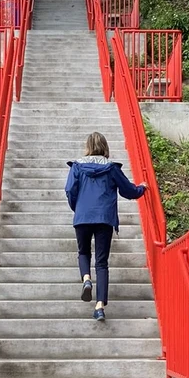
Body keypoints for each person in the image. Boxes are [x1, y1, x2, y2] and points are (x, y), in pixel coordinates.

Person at [65, 132, 146, 321]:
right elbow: (128, 190)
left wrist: (77, 208)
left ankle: (86, 279)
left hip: (83, 217)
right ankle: (100, 307)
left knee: (83, 252)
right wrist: (142, 188)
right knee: (102, 263)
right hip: (104, 219)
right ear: (105, 147)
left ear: (87, 146)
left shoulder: (77, 167)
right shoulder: (111, 169)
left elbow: (69, 190)